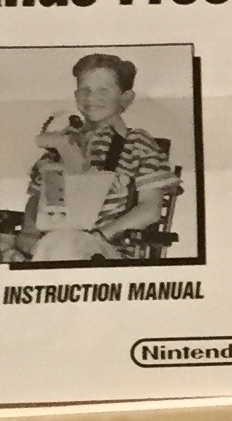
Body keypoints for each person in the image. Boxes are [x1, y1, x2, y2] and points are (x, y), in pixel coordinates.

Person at [11, 53, 180, 264]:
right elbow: (37, 199)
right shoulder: (60, 142)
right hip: (50, 242)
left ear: (126, 98)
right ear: (76, 95)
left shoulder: (136, 143)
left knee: (65, 249)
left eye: (103, 90)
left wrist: (101, 235)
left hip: (105, 250)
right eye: (85, 90)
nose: (91, 98)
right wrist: (28, 232)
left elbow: (150, 209)